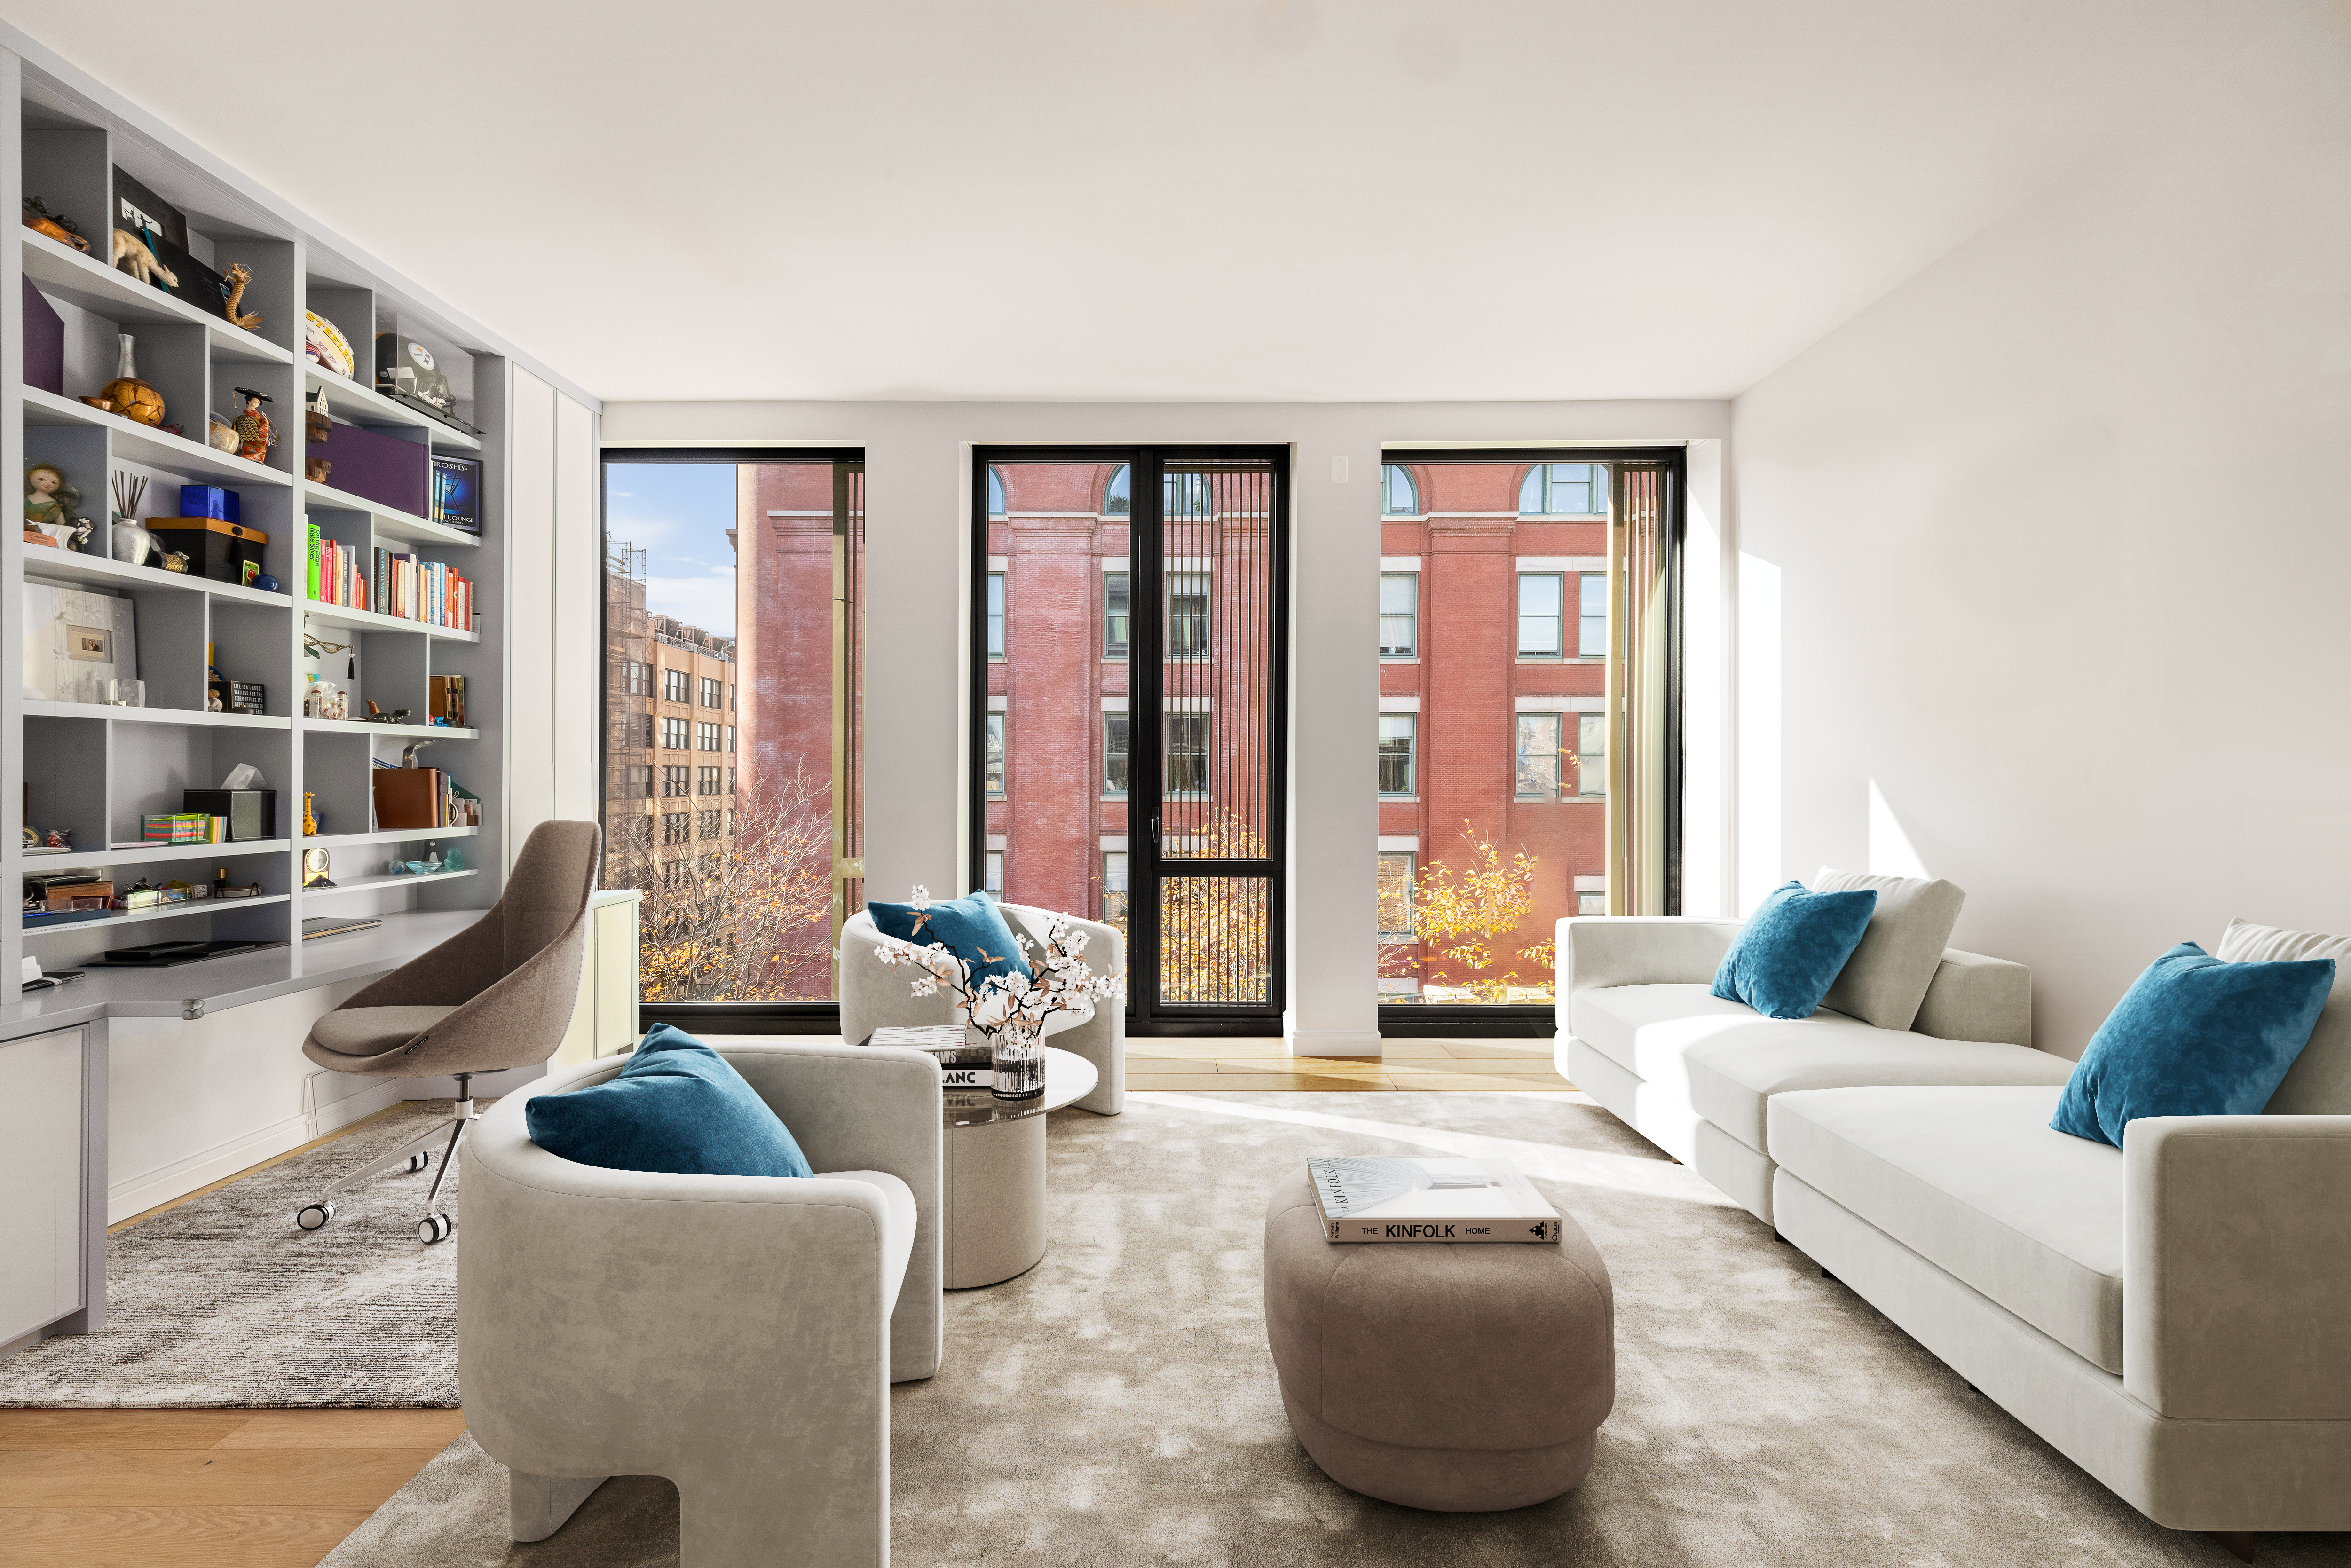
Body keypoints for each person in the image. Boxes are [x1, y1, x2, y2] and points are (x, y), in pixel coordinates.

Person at [231, 387, 274, 463]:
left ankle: (255, 457)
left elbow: (263, 427)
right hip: (245, 437)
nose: (256, 403)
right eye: (254, 401)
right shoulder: (244, 416)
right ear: (249, 401)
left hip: (256, 438)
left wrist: (265, 421)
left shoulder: (259, 417)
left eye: (258, 402)